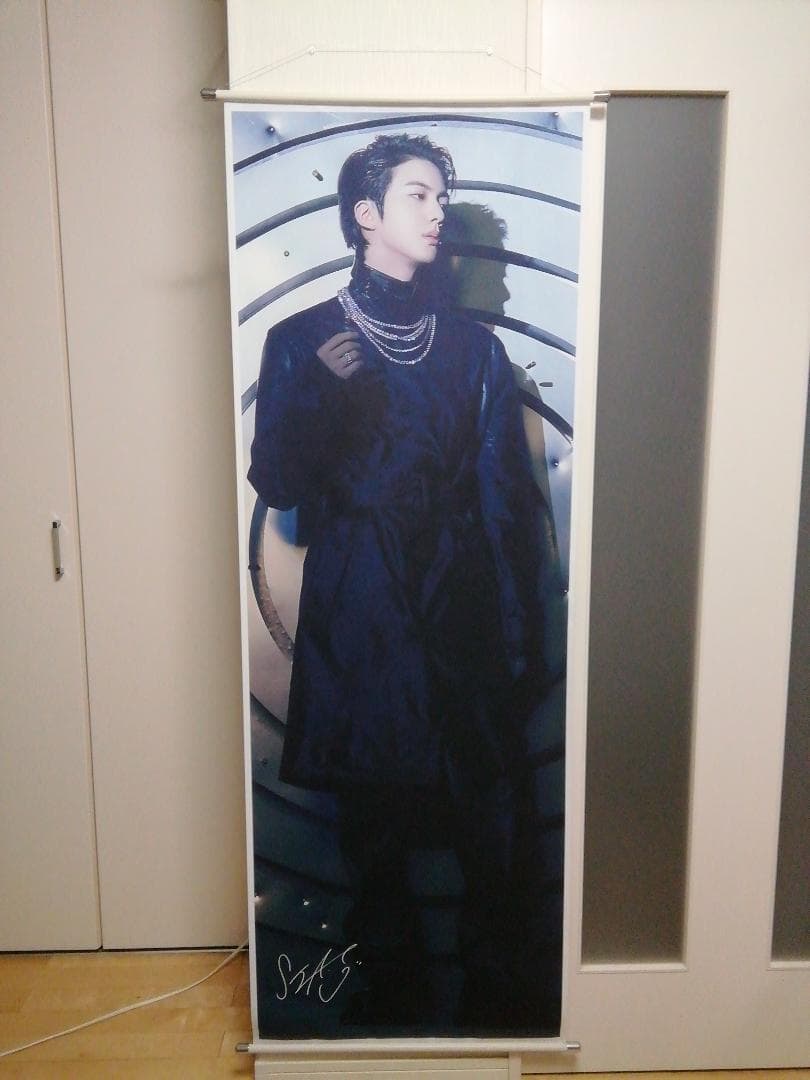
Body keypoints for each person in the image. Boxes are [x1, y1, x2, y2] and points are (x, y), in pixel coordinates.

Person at [248, 133, 549, 1031]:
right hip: (362, 620)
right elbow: (281, 486)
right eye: (419, 195)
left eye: (441, 196)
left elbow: (506, 506)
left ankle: (501, 1015)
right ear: (365, 214)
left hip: (462, 618)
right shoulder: (301, 341)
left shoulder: (473, 350)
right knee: (373, 843)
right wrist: (320, 397)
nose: (437, 212)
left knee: (495, 835)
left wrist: (519, 642)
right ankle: (390, 1013)